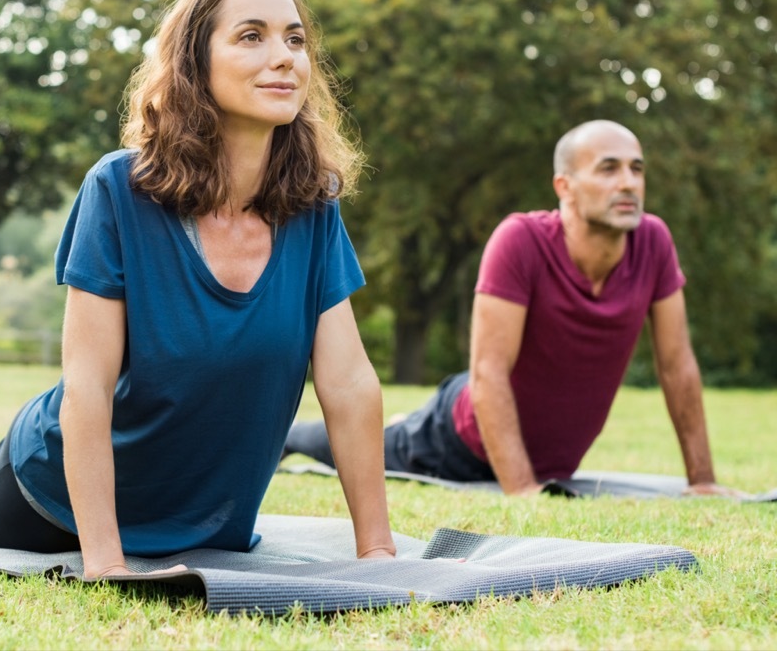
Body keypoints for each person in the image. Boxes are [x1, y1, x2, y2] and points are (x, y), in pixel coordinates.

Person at [0, 0, 396, 576]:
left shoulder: (312, 207)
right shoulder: (120, 189)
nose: (284, 57)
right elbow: (87, 387)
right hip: (57, 498)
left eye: (295, 39)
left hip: (203, 514)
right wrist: (104, 561)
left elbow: (349, 384)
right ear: (194, 64)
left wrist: (379, 551)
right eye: (251, 36)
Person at [285, 120, 738, 497]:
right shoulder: (521, 240)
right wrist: (523, 490)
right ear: (565, 185)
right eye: (608, 169)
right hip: (458, 440)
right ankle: (288, 437)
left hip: (544, 454)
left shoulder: (653, 242)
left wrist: (703, 482)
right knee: (357, 445)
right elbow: (489, 373)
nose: (628, 183)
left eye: (637, 169)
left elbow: (678, 366)